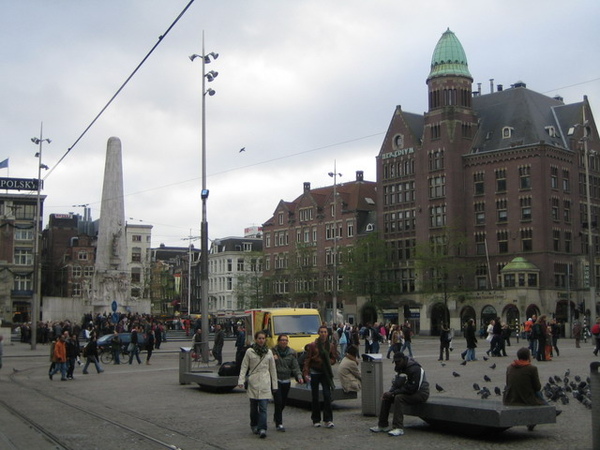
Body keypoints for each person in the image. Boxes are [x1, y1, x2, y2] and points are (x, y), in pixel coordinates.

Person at [369, 351, 430, 437]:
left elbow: (413, 388)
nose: (397, 364)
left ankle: (398, 427)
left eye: (398, 361)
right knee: (387, 397)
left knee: (399, 398)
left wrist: (393, 393)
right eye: (396, 362)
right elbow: (397, 384)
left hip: (421, 393)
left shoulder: (415, 369)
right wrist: (390, 393)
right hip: (409, 391)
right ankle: (382, 425)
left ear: (404, 359)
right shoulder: (400, 368)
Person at [503, 347, 560, 431]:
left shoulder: (509, 367)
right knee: (538, 393)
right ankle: (548, 410)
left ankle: (549, 409)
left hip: (509, 398)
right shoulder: (531, 368)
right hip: (524, 399)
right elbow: (537, 387)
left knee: (536, 393)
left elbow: (508, 384)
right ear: (528, 357)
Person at [237, 331, 278, 439]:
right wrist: (241, 380)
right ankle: (254, 424)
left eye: (263, 338)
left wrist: (275, 385)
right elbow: (244, 366)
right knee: (254, 407)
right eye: (259, 338)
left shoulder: (269, 352)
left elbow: (273, 370)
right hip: (253, 382)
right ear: (256, 339)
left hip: (265, 382)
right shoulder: (250, 351)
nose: (261, 340)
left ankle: (262, 428)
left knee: (263, 407)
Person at [303, 325, 339, 428]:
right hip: (315, 372)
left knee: (327, 395)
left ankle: (328, 419)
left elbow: (334, 358)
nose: (323, 334)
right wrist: (306, 372)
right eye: (321, 332)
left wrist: (328, 361)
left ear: (327, 334)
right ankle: (316, 419)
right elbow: (308, 360)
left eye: (325, 332)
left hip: (325, 373)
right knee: (315, 397)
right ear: (318, 333)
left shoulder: (331, 346)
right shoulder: (313, 345)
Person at [271, 334, 304, 431]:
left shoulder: (291, 353)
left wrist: (299, 376)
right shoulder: (272, 352)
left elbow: (295, 366)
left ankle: (277, 415)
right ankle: (279, 423)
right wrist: (273, 359)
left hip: (286, 380)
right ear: (278, 341)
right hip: (276, 380)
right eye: (282, 340)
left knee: (283, 403)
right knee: (278, 401)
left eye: (285, 340)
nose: (284, 342)